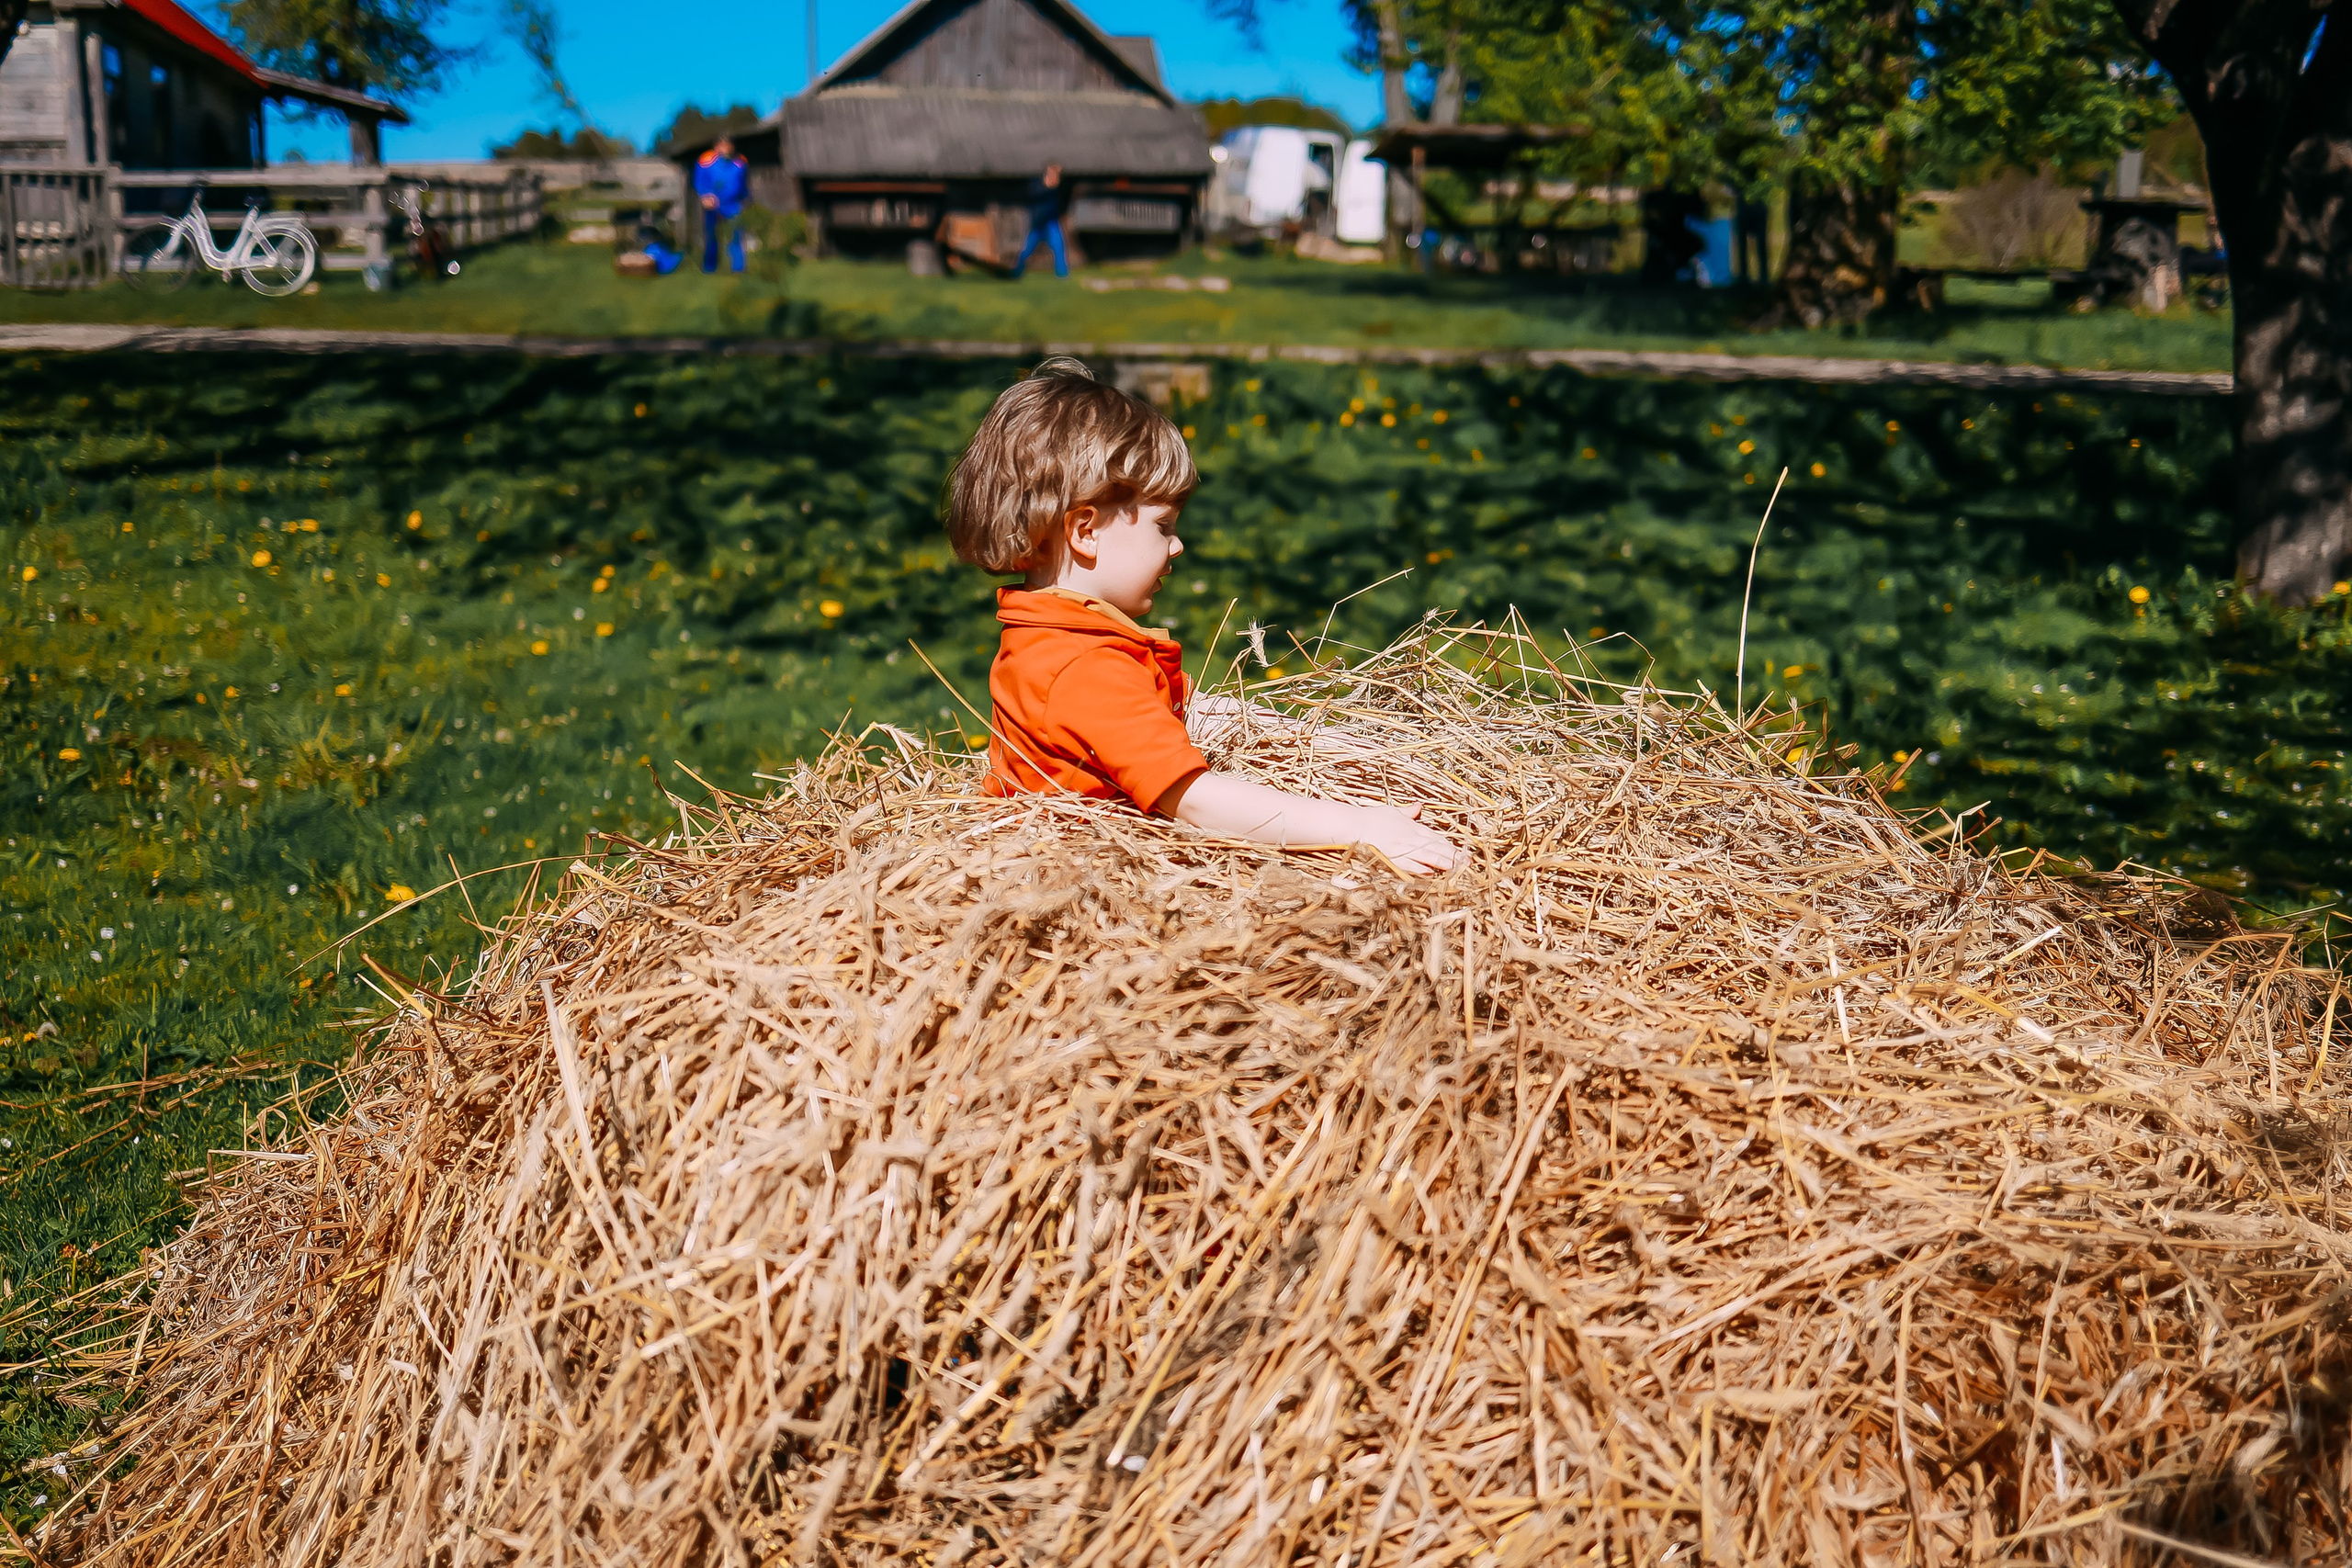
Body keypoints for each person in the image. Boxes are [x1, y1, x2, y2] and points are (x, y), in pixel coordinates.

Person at [944, 357, 1460, 874]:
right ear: (1085, 532)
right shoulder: (1083, 667)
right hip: (1086, 879)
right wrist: (1361, 827)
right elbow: (1193, 800)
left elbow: (1171, 708)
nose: (1178, 545)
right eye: (1163, 526)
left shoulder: (1058, 634)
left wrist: (1308, 737)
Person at [695, 136, 750, 275]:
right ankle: (710, 268)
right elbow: (699, 181)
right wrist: (705, 195)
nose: (725, 148)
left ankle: (738, 269)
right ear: (716, 147)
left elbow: (743, 183)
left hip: (733, 204)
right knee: (712, 236)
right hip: (713, 204)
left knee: (736, 235)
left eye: (728, 145)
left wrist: (745, 199)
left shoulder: (740, 162)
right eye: (722, 145)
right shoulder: (705, 161)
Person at [1012, 164, 1069, 279]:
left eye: (1057, 175)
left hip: (1052, 223)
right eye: (1053, 174)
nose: (1055, 177)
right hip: (1038, 224)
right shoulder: (1037, 186)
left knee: (1059, 247)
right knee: (1027, 249)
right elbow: (1032, 198)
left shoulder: (1058, 189)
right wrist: (1048, 186)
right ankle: (1016, 272)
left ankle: (1062, 275)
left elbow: (1064, 199)